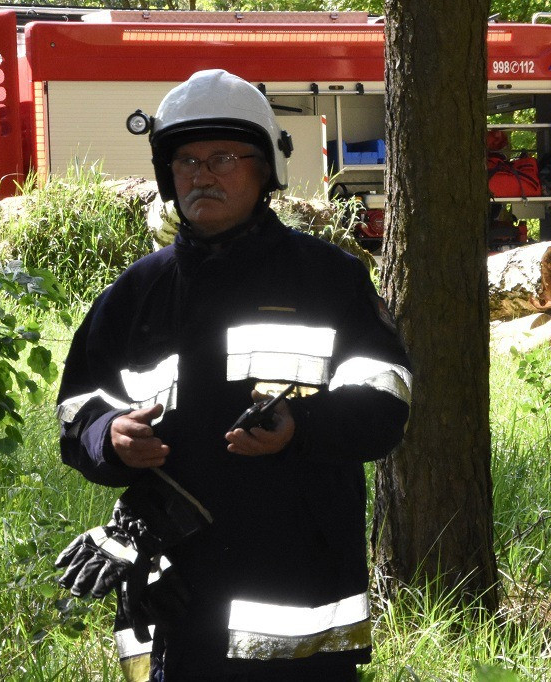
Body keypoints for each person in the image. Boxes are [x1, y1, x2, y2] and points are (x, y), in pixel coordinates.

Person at [54, 69, 412, 682]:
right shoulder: (135, 293)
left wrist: (301, 425)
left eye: (224, 156)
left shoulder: (329, 280)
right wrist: (108, 435)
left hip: (299, 602)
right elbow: (78, 404)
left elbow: (386, 400)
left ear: (266, 167)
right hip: (177, 609)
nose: (202, 174)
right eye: (186, 159)